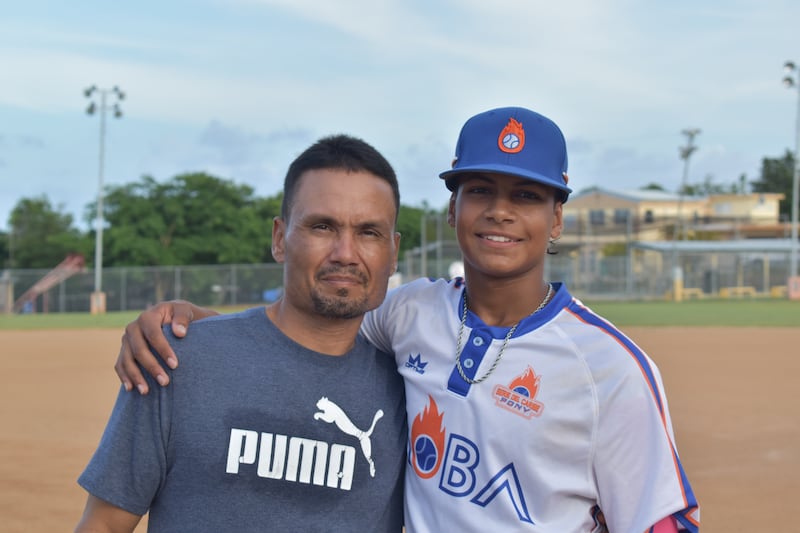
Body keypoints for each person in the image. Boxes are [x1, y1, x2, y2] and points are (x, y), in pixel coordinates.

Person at [115, 107, 700, 532]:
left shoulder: (611, 368)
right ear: (453, 208)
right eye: (480, 189)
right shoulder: (409, 312)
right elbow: (305, 329)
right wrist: (191, 322)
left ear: (557, 221)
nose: (500, 210)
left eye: (526, 196)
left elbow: (659, 522)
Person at [75, 135, 408, 532]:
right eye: (322, 226)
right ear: (279, 239)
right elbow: (105, 525)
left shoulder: (412, 391)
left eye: (369, 232)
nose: (345, 253)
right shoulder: (176, 359)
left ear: (393, 251)